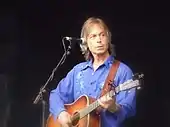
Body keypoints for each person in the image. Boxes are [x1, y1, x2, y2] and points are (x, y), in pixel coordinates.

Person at [49, 17, 136, 127]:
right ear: (86, 42)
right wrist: (61, 113)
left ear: (108, 39)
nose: (99, 40)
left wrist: (113, 106)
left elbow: (129, 109)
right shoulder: (78, 71)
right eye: (93, 36)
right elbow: (56, 95)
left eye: (102, 35)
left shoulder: (122, 71)